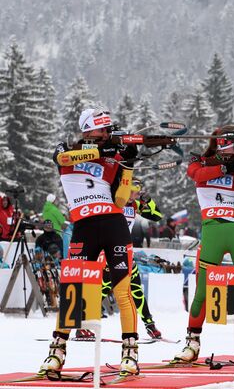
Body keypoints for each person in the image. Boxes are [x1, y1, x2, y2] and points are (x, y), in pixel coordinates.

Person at [38, 108, 140, 378]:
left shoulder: (113, 158)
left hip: (113, 224)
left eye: (108, 130)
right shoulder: (68, 151)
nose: (107, 134)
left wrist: (127, 164)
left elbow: (120, 200)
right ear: (88, 131)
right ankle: (57, 350)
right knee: (74, 291)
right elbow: (61, 158)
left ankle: (130, 352)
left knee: (122, 291)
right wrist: (104, 153)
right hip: (83, 227)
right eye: (102, 130)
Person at [174, 125, 234, 365]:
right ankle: (192, 343)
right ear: (220, 143)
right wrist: (225, 167)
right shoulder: (201, 160)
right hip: (212, 229)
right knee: (202, 291)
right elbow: (196, 175)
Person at [99, 178, 164, 339]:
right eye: (132, 193)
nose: (133, 197)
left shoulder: (135, 205)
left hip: (125, 252)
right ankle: (81, 321)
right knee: (102, 289)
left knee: (136, 289)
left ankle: (149, 324)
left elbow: (157, 216)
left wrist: (148, 201)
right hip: (108, 252)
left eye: (136, 194)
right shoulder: (114, 201)